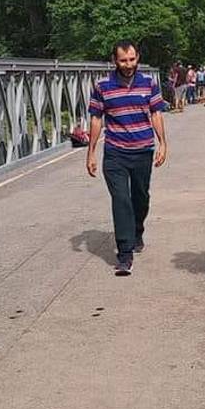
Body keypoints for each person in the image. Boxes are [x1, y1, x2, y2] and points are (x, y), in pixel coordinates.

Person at [86, 41, 169, 276]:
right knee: (121, 200)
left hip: (143, 150)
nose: (128, 64)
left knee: (140, 198)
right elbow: (96, 119)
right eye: (123, 60)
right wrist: (91, 151)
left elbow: (156, 113)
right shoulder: (102, 86)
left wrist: (163, 143)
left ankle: (137, 230)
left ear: (137, 57)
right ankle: (124, 254)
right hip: (115, 152)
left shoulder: (149, 83)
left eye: (132, 59)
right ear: (115, 60)